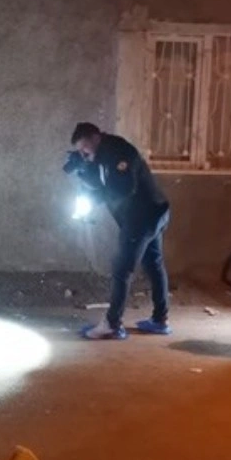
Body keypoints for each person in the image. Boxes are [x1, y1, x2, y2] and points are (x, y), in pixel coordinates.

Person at [67, 122, 171, 339]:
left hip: (142, 218)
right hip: (153, 212)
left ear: (96, 137)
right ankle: (160, 320)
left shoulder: (119, 152)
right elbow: (100, 182)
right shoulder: (102, 154)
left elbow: (122, 189)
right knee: (154, 264)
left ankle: (112, 325)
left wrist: (94, 197)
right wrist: (83, 169)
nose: (84, 153)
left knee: (122, 269)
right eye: (80, 151)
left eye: (85, 148)